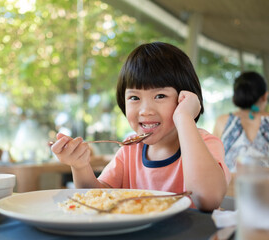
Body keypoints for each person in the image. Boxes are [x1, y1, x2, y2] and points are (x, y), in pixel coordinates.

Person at [51, 42, 231, 211]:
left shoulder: (205, 144)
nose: (145, 111)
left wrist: (184, 117)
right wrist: (80, 166)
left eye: (160, 96)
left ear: (184, 98)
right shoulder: (130, 150)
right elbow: (97, 198)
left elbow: (208, 199)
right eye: (134, 98)